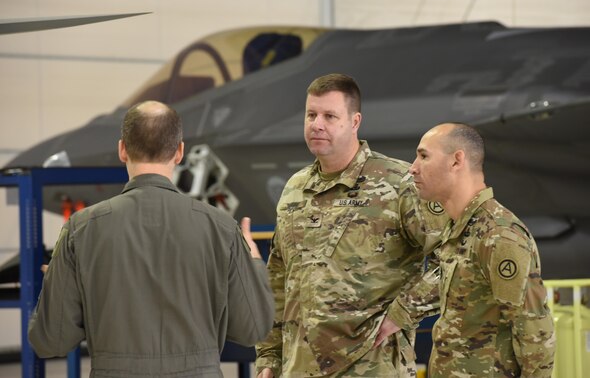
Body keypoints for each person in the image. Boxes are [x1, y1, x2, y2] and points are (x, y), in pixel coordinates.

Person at [28, 100, 274, 377]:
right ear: (179, 152)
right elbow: (253, 328)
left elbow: (50, 340)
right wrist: (253, 263)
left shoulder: (81, 229)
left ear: (122, 149)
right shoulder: (221, 228)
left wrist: (62, 287)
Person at [255, 73, 447, 377]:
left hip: (372, 367)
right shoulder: (296, 188)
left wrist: (404, 312)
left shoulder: (398, 184)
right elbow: (278, 278)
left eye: (330, 116)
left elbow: (454, 258)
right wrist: (269, 356)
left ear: (355, 121)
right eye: (311, 115)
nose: (317, 124)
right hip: (298, 367)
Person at [409, 122, 555, 377]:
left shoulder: (498, 234)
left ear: (456, 161)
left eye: (424, 156)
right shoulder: (457, 229)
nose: (413, 168)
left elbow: (534, 332)